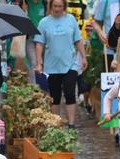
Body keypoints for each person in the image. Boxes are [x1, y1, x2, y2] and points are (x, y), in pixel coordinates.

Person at [35, 0, 87, 128]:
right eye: (55, 6)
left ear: (64, 7)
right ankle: (56, 124)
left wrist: (83, 57)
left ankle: (71, 124)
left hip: (70, 63)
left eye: (60, 6)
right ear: (50, 6)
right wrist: (38, 62)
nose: (57, 9)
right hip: (52, 65)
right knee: (55, 96)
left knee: (70, 93)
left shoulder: (71, 20)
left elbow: (78, 40)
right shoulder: (44, 23)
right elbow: (39, 43)